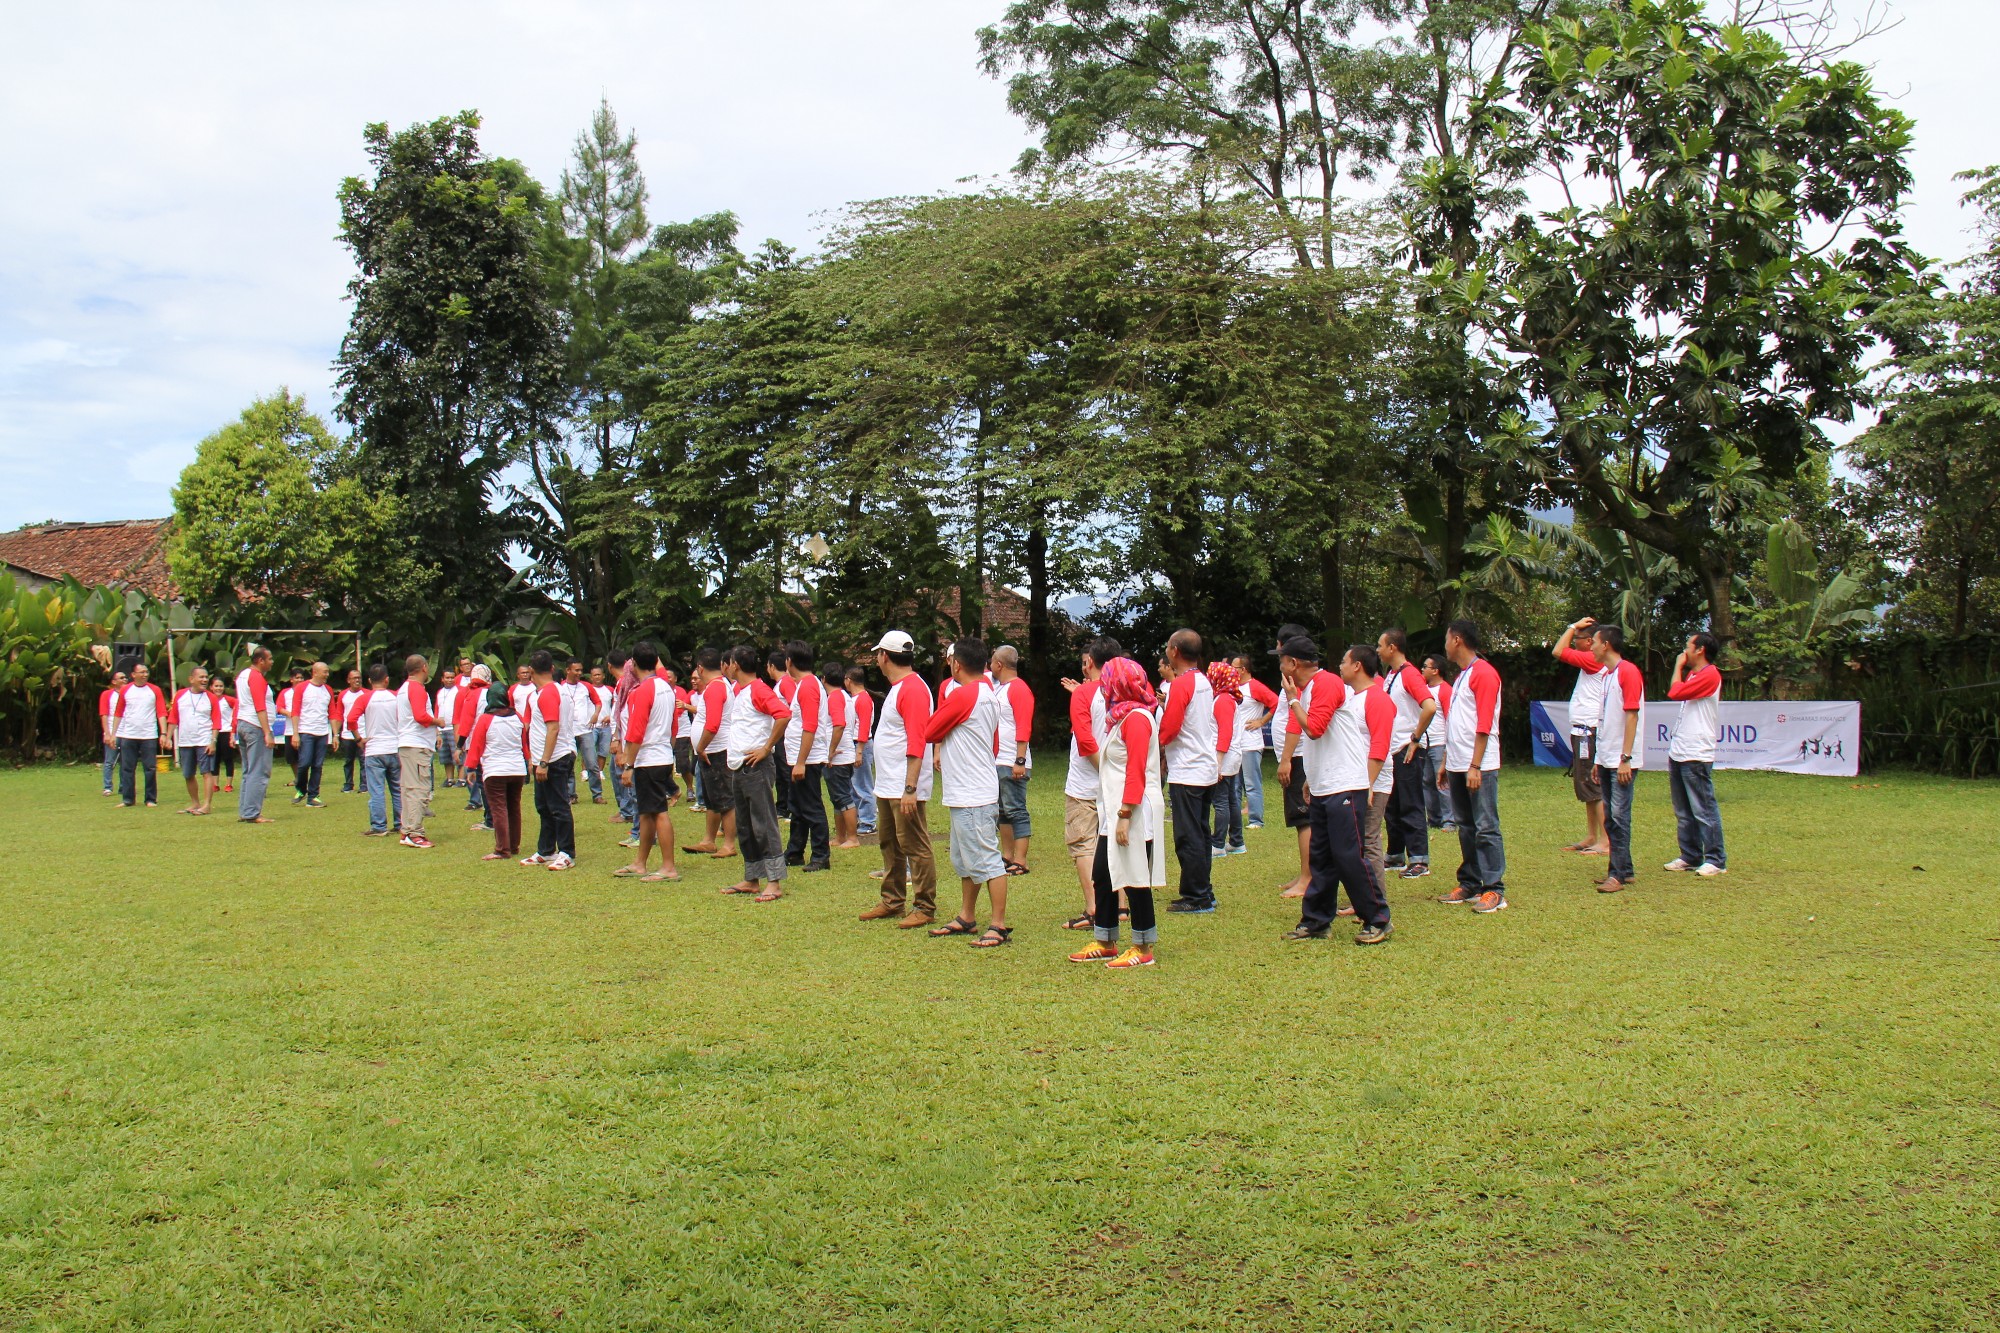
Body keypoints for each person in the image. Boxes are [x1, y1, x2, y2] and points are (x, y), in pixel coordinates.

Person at [1279, 638, 1393, 945]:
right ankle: (1316, 921)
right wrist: (1311, 778)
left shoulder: (1326, 683)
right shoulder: (1310, 689)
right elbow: (1322, 739)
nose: (1280, 666)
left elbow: (1314, 729)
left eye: (1282, 660)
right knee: (1321, 857)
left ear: (1293, 664)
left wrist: (1293, 700)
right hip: (1325, 785)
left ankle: (1378, 920)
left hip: (1345, 785)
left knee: (1347, 856)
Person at [1066, 656, 1168, 968]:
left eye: (1107, 682)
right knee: (1103, 873)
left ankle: (1143, 947)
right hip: (1115, 811)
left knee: (1135, 877)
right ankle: (1105, 940)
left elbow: (1136, 770)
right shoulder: (1122, 718)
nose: (1103, 688)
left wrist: (1125, 815)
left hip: (1132, 811)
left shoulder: (1136, 718)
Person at [922, 638, 1012, 948]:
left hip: (972, 792)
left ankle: (998, 925)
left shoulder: (963, 695)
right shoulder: (987, 692)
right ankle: (967, 916)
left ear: (957, 664)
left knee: (987, 860)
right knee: (966, 860)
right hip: (972, 789)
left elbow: (930, 731)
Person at [858, 631, 938, 928]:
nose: (877, 660)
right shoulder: (900, 687)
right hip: (889, 783)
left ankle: (924, 906)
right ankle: (892, 900)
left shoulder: (912, 689)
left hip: (903, 784)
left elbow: (917, 740)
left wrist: (910, 788)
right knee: (890, 843)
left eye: (878, 654)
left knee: (914, 844)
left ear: (884, 656)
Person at [1436, 620, 1507, 912]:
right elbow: (1457, 723)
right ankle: (1470, 883)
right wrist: (1446, 761)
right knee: (1465, 826)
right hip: (1457, 763)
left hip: (1479, 765)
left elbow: (1484, 723)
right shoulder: (1463, 676)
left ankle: (1494, 889)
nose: (1444, 645)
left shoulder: (1484, 673)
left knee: (1485, 826)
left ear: (1457, 640)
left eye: (1446, 639)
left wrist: (1475, 765)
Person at [721, 644, 792, 902]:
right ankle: (752, 878)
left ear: (735, 665)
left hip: (756, 766)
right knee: (746, 824)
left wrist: (766, 747)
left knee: (763, 823)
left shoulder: (759, 690)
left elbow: (783, 715)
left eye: (729, 663)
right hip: (739, 765)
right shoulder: (741, 691)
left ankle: (774, 882)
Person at [1156, 629, 1218, 913]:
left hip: (1187, 769)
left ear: (1175, 652)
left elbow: (1170, 727)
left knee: (1188, 835)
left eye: (1168, 647)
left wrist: (1156, 744)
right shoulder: (1202, 680)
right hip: (1203, 766)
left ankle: (1196, 895)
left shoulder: (1181, 685)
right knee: (1201, 832)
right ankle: (1204, 890)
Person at [1058, 638, 1117, 930]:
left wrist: (1102, 770)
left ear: (1090, 662)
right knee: (1115, 841)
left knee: (1083, 844)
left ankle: (1094, 908)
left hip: (1085, 782)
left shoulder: (1084, 693)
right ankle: (1120, 906)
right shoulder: (1125, 689)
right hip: (1117, 781)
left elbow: (1084, 739)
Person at [1376, 629, 1439, 879]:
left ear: (1392, 647)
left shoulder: (1410, 674)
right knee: (1392, 804)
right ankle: (1395, 854)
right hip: (1392, 748)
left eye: (1380, 645)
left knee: (1410, 803)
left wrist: (1415, 739)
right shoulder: (1392, 675)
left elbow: (1429, 706)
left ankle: (1419, 859)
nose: (1378, 650)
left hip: (1407, 748)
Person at [616, 641, 682, 882]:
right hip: (661, 754)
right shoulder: (666, 687)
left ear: (633, 664)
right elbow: (673, 724)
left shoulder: (642, 691)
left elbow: (635, 732)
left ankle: (668, 867)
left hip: (649, 759)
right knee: (646, 813)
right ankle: (640, 863)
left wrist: (628, 766)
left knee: (659, 813)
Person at [1588, 623, 1646, 895]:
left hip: (1621, 759)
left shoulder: (1628, 672)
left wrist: (1626, 758)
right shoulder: (1608, 676)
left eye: (1594, 642)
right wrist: (1599, 760)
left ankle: (1618, 874)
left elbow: (1632, 715)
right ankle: (1625, 869)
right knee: (1612, 816)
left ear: (1606, 644)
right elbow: (1606, 721)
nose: (1591, 647)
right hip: (1608, 757)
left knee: (1619, 816)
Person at [1664, 631, 1727, 877]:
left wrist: (1677, 667)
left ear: (1700, 649)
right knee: (1683, 811)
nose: (1685, 651)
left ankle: (1716, 859)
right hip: (1680, 749)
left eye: (1688, 646)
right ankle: (1690, 855)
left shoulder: (1710, 674)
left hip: (1696, 752)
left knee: (1703, 809)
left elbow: (1675, 692)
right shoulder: (1694, 674)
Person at [1552, 618, 1612, 856]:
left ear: (1589, 642)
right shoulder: (1590, 662)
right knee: (1586, 784)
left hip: (1589, 730)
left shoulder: (1592, 660)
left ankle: (1605, 841)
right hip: (1583, 730)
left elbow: (1558, 651)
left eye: (1578, 639)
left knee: (1593, 785)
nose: (1573, 642)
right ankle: (1591, 836)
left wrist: (1571, 627)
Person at [1268, 623, 1315, 900]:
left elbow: (1296, 723)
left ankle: (1308, 878)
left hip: (1298, 756)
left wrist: (1286, 759)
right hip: (1294, 756)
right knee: (1301, 819)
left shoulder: (1298, 684)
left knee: (1304, 818)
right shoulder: (1292, 683)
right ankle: (1305, 873)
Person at [520, 650, 577, 870]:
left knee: (559, 807)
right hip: (543, 758)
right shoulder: (543, 693)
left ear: (531, 671)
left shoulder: (549, 693)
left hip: (555, 758)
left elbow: (553, 728)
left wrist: (544, 762)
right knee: (544, 806)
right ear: (552, 668)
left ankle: (567, 852)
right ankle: (546, 850)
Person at [780, 641, 833, 872]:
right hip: (800, 758)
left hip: (807, 760)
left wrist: (801, 762)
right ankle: (794, 852)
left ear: (789, 661)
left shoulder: (809, 686)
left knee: (811, 807)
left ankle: (821, 855)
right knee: (797, 807)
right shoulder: (805, 684)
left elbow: (809, 726)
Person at [682, 648, 739, 860]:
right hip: (712, 750)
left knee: (725, 800)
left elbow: (713, 723)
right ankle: (708, 840)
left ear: (700, 667)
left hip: (716, 750)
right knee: (713, 799)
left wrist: (701, 747)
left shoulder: (715, 688)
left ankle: (729, 844)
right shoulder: (719, 686)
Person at [462, 682, 526, 861]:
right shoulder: (517, 717)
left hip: (495, 770)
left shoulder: (486, 719)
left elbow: (476, 745)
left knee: (499, 809)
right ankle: (513, 845)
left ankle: (502, 849)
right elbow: (524, 743)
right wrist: (528, 761)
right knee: (514, 808)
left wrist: (471, 767)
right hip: (517, 768)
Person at [990, 645, 1035, 876]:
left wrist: (1020, 759)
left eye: (992, 661)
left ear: (999, 664)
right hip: (999, 760)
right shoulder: (1000, 688)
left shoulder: (1018, 689)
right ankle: (1007, 855)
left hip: (1012, 760)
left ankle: (1021, 859)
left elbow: (1024, 725)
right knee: (1002, 810)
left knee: (1016, 809)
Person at [347, 664, 402, 836]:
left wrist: (358, 739)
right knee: (398, 789)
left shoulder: (364, 698)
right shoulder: (396, 696)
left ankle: (379, 826)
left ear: (369, 681)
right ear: (387, 679)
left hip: (374, 749)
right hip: (395, 747)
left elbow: (351, 720)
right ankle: (401, 822)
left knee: (376, 790)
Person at [395, 654, 440, 850]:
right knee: (419, 789)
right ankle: (415, 832)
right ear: (424, 667)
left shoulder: (404, 688)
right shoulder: (416, 688)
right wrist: (438, 721)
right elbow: (421, 716)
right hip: (417, 744)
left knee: (408, 788)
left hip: (407, 743)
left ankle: (407, 830)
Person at [109, 659, 166, 807]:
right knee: (127, 768)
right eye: (142, 672)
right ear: (133, 674)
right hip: (129, 735)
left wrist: (164, 733)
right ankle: (128, 799)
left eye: (146, 672)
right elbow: (118, 713)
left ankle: (150, 799)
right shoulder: (126, 690)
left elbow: (161, 712)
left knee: (150, 768)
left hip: (148, 735)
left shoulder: (155, 690)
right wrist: (113, 734)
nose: (145, 675)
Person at [1206, 659, 1246, 857]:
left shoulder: (1222, 700)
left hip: (1224, 756)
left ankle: (1218, 844)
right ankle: (1237, 841)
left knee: (1221, 802)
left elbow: (1225, 733)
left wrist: (1218, 763)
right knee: (1231, 800)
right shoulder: (1229, 699)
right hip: (1232, 756)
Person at [167, 666, 220, 814]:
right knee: (188, 774)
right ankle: (195, 803)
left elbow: (216, 721)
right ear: (191, 679)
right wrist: (168, 736)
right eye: (201, 677)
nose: (204, 680)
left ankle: (206, 805)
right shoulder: (180, 695)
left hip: (204, 740)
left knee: (206, 772)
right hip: (185, 741)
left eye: (206, 677)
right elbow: (173, 718)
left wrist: (213, 741)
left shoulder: (211, 697)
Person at [234, 647, 277, 823]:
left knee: (248, 770)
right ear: (260, 661)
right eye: (270, 659)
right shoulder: (256, 677)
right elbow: (260, 706)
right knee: (259, 771)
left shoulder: (243, 675)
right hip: (255, 725)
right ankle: (252, 812)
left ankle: (245, 810)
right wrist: (267, 732)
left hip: (243, 722)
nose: (272, 662)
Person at [287, 661, 337, 807]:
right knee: (304, 763)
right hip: (306, 731)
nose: (327, 674)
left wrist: (335, 735)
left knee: (317, 765)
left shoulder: (328, 690)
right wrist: (295, 733)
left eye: (327, 672)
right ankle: (301, 789)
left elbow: (332, 713)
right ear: (315, 672)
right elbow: (295, 711)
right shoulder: (302, 688)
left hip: (322, 732)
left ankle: (313, 796)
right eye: (324, 672)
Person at [822, 663, 861, 849]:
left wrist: (830, 751)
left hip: (839, 757)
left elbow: (839, 724)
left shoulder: (835, 697)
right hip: (844, 754)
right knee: (837, 798)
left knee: (843, 797)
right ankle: (840, 837)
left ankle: (852, 838)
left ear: (824, 679)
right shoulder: (845, 696)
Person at [1233, 655, 1274, 830]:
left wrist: (1261, 721)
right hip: (1236, 744)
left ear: (1243, 670)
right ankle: (1234, 819)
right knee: (1235, 785)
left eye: (1234, 668)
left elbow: (1275, 703)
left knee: (1251, 783)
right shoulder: (1233, 687)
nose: (1231, 671)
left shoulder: (1255, 687)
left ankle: (1256, 820)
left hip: (1250, 743)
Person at [453, 664, 490, 818]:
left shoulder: (471, 694)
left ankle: (489, 818)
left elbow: (466, 721)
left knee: (480, 779)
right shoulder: (496, 691)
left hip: (476, 741)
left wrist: (459, 745)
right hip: (495, 740)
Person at [1421, 654, 1453, 833]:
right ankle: (1433, 819)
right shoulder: (1424, 690)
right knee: (1427, 781)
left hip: (1439, 742)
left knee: (1442, 783)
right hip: (1426, 743)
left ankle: (1449, 820)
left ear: (1435, 670)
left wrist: (1448, 744)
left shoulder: (1445, 690)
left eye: (1425, 666)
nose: (1422, 669)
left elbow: (1450, 718)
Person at [844, 666, 877, 839]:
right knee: (854, 784)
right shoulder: (856, 699)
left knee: (863, 784)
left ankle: (868, 821)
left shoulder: (862, 699)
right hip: (855, 744)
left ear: (849, 680)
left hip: (860, 744)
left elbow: (864, 726)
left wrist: (859, 751)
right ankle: (859, 818)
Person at [766, 648, 795, 822]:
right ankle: (782, 806)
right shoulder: (779, 685)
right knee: (780, 772)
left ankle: (790, 807)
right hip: (779, 734)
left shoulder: (786, 683)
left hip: (784, 733)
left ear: (771, 666)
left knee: (785, 770)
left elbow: (793, 706)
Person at [98, 668, 127, 795]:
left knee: (125, 762)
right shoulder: (107, 694)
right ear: (114, 682)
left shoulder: (129, 694)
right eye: (121, 678)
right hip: (113, 732)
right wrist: (107, 733)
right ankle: (107, 787)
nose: (124, 679)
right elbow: (104, 714)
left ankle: (123, 787)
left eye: (125, 677)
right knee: (110, 761)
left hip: (127, 733)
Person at [337, 668, 365, 793]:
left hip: (363, 733)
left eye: (359, 677)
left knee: (364, 760)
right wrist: (336, 734)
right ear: (348, 680)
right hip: (347, 734)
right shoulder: (343, 695)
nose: (357, 680)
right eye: (354, 678)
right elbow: (339, 714)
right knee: (348, 761)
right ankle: (348, 784)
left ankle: (364, 785)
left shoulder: (366, 693)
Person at [435, 668, 462, 789]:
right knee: (446, 756)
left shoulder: (459, 691)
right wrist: (437, 728)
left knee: (458, 754)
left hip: (454, 727)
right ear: (442, 679)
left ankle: (461, 779)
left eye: (452, 677)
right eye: (447, 677)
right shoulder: (440, 692)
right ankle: (450, 779)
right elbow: (437, 709)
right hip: (442, 728)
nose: (450, 680)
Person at [209, 675, 236, 794]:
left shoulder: (229, 700)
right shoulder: (208, 700)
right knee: (215, 759)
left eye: (221, 686)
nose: (218, 688)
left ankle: (229, 784)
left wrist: (233, 729)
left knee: (228, 759)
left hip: (226, 731)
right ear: (211, 687)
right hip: (213, 732)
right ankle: (215, 784)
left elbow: (238, 707)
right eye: (216, 686)